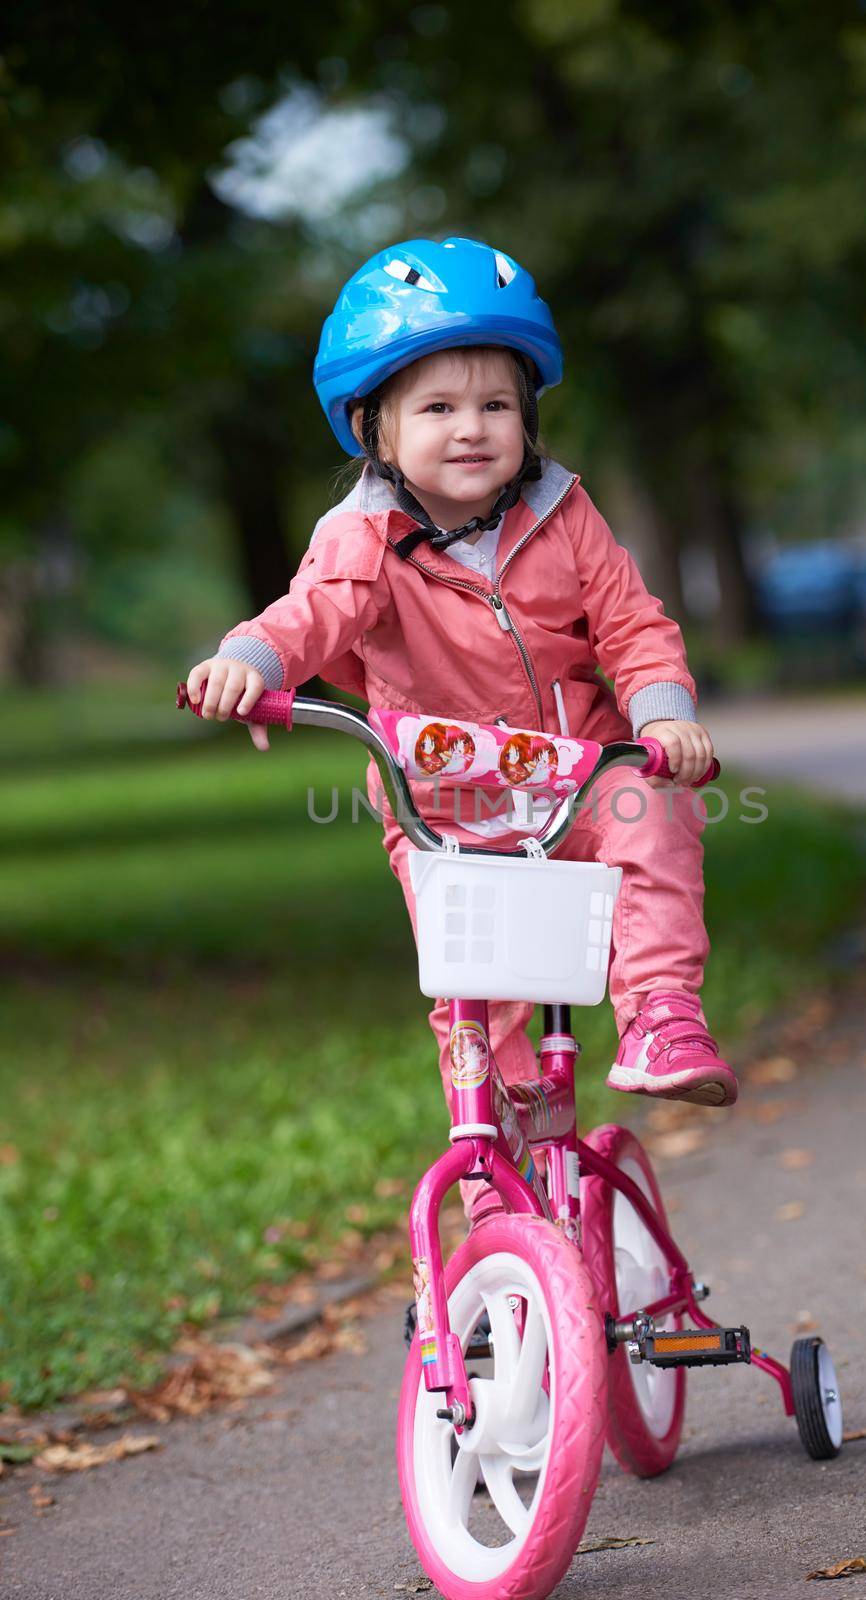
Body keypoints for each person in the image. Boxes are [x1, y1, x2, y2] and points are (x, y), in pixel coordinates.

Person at [185, 236, 738, 1128]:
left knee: (656, 809)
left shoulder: (563, 513)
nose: (472, 427)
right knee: (480, 994)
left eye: (496, 404)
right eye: (437, 406)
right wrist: (249, 663)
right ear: (377, 430)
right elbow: (311, 612)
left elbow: (633, 622)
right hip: (444, 796)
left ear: (528, 417)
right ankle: (495, 1150)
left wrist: (662, 714)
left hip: (579, 770)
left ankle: (662, 1017)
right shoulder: (362, 539)